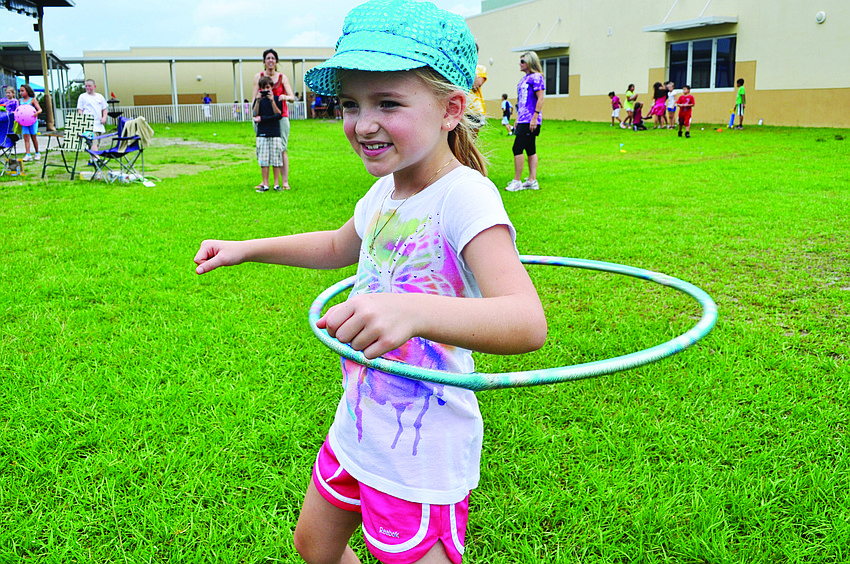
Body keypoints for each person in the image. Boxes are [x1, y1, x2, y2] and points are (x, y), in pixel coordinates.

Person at [194, 1, 547, 562]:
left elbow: (526, 321)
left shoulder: (465, 198)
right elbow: (337, 246)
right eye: (351, 105)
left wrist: (412, 312)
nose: (363, 123)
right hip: (359, 419)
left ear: (452, 108)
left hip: (420, 443)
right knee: (314, 545)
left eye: (387, 103)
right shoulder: (386, 192)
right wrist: (247, 249)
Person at [253, 48, 295, 190]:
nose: (270, 60)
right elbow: (254, 98)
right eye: (268, 58)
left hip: (280, 117)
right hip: (263, 118)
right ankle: (265, 181)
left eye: (273, 58)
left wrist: (285, 97)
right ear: (264, 61)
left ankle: (283, 181)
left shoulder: (283, 78)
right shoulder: (258, 76)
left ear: (276, 61)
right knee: (263, 148)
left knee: (281, 149)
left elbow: (292, 97)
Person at [505, 51, 545, 192]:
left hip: (530, 120)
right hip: (523, 119)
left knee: (517, 148)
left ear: (529, 62)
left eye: (522, 61)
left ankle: (517, 181)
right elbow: (522, 101)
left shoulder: (537, 77)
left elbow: (540, 98)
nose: (519, 64)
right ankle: (532, 180)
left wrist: (534, 117)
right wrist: (517, 118)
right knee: (530, 149)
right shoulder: (524, 79)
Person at [252, 75, 285, 192]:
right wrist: (258, 100)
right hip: (262, 133)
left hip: (275, 132)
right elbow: (255, 114)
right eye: (264, 88)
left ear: (272, 87)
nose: (266, 90)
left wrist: (271, 101)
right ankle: (265, 184)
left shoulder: (277, 99)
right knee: (264, 160)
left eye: (268, 87)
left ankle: (276, 184)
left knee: (276, 159)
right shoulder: (258, 100)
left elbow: (278, 115)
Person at [77, 78, 108, 152]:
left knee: (97, 143)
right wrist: (83, 120)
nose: (87, 88)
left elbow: (104, 109)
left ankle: (92, 160)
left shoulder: (100, 97)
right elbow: (80, 110)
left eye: (89, 86)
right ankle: (97, 159)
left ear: (94, 86)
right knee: (93, 142)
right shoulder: (82, 96)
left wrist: (104, 118)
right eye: (86, 86)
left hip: (98, 124)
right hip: (89, 124)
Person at [466, 43, 487, 135]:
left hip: (473, 110)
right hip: (459, 109)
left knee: (470, 143)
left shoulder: (480, 69)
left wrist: (470, 65)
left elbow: (475, 85)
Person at [18, 84, 42, 162]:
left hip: (32, 121)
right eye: (20, 91)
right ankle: (28, 154)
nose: (21, 93)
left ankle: (37, 153)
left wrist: (36, 113)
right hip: (24, 123)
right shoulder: (20, 101)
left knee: (33, 137)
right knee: (26, 137)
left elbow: (40, 109)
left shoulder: (32, 100)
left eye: (22, 91)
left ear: (27, 91)